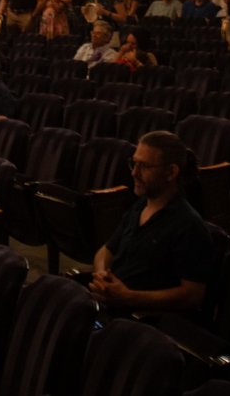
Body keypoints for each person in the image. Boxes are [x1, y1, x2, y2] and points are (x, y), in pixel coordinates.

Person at [90, 131, 219, 315]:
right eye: (134, 163)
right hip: (112, 305)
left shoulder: (188, 225)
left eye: (144, 166)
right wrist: (102, 276)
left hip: (140, 319)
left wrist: (129, 296)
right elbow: (106, 250)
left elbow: (193, 295)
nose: (134, 173)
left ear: (171, 172)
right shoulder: (140, 206)